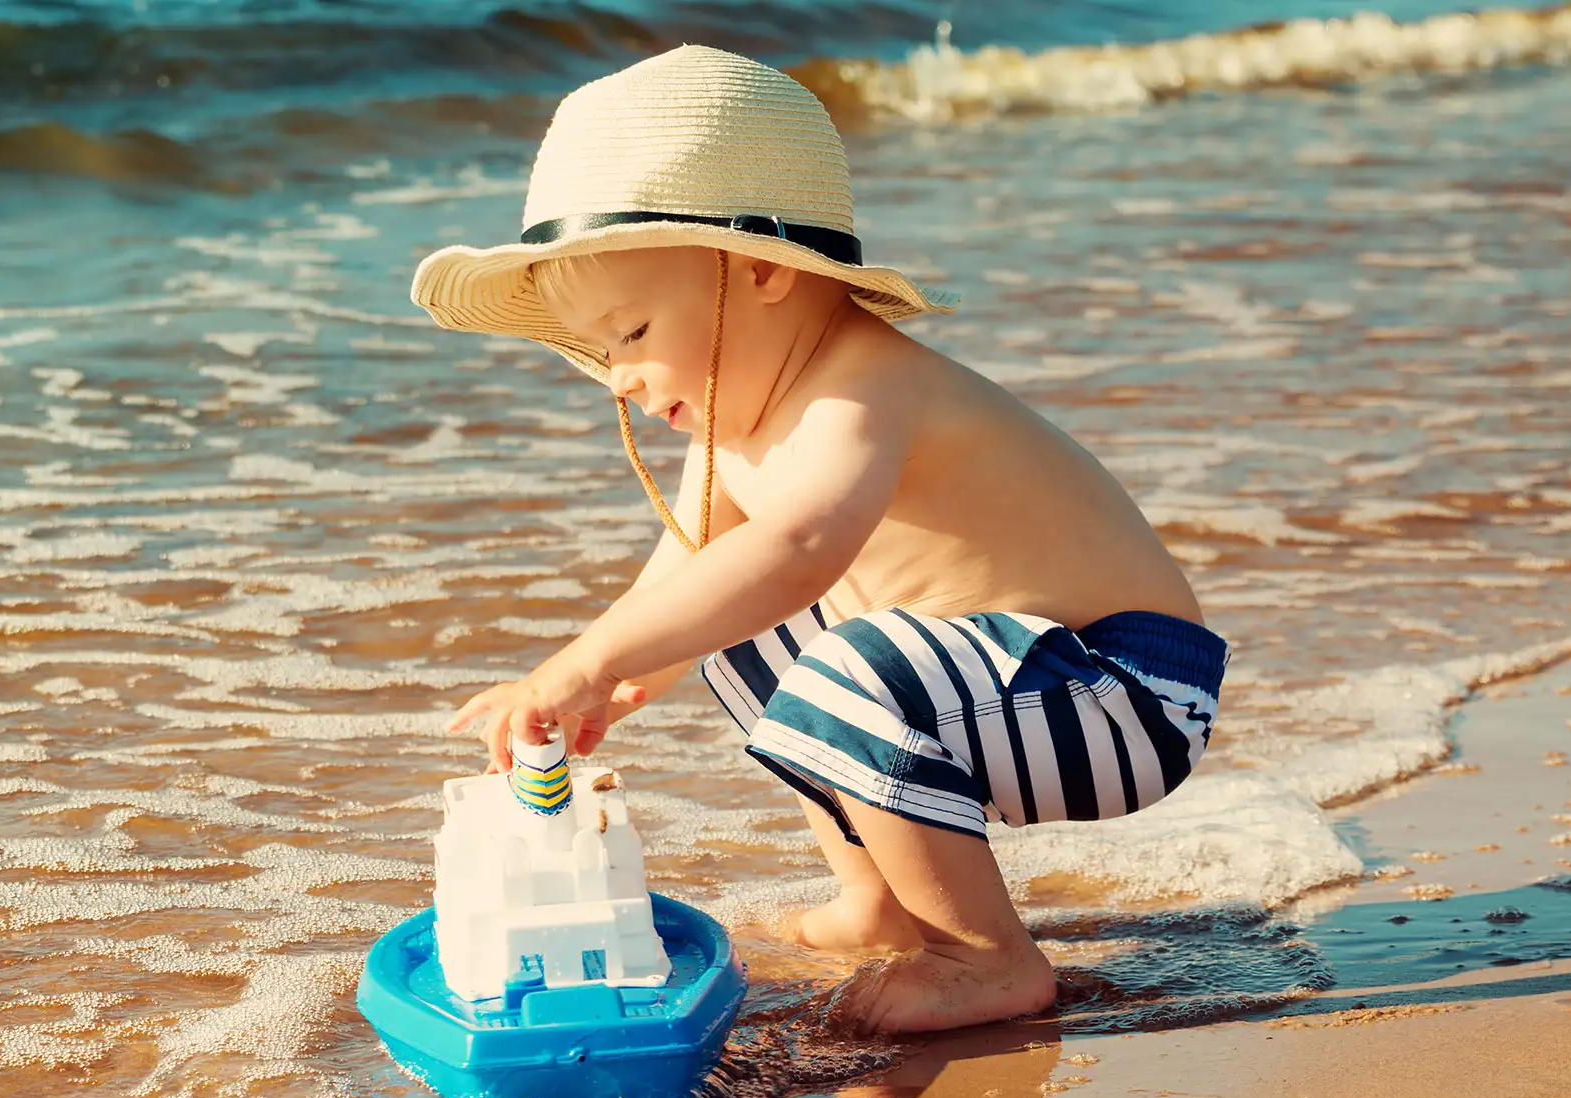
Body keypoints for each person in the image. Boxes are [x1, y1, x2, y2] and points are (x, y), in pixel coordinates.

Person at [419, 45, 1226, 1034]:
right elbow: (691, 563)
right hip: (1001, 692)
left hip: (1123, 695)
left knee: (837, 649)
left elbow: (799, 543)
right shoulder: (736, 419)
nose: (617, 378)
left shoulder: (860, 386)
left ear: (758, 270)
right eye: (597, 353)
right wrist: (614, 673)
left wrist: (584, 661)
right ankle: (883, 896)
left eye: (630, 332)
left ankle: (983, 956)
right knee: (741, 627)